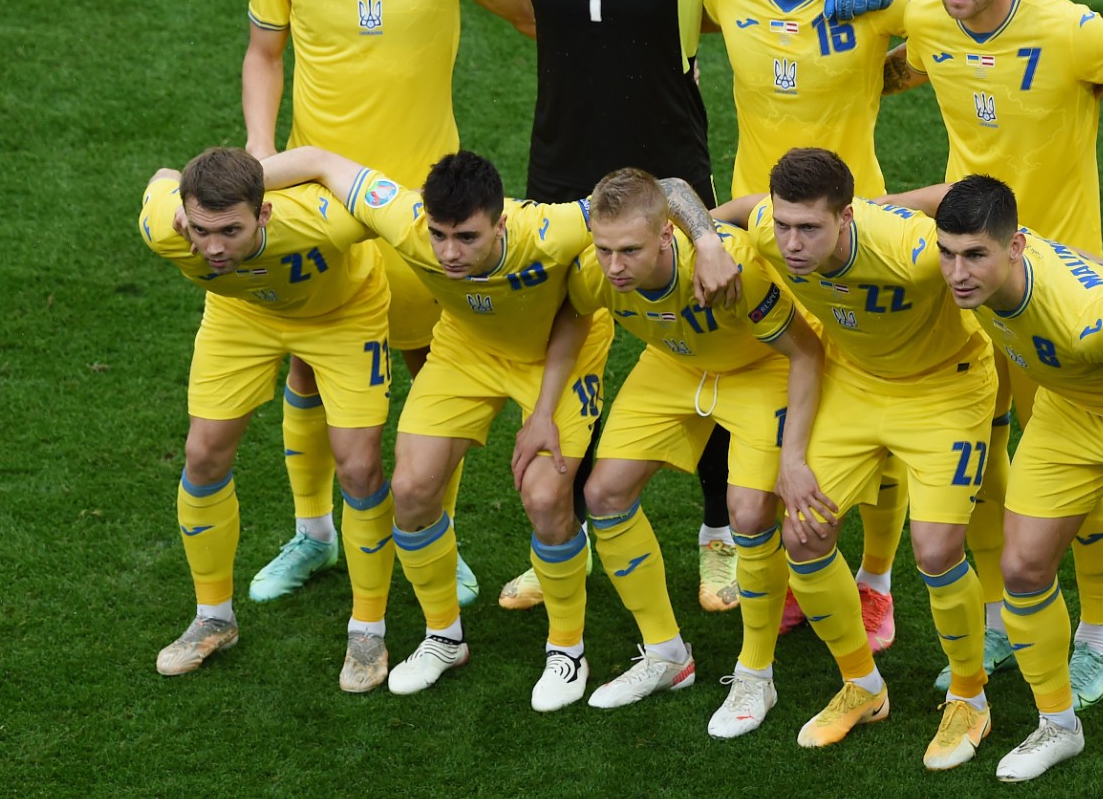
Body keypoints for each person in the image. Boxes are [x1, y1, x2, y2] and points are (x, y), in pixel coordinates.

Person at [265, 0, 894, 610]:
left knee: (712, 334)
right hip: (563, 171)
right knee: (567, 346)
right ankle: (561, 534)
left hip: (671, 164)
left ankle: (715, 538)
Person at [257, 145, 733, 698]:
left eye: (468, 238)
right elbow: (319, 161)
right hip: (466, 351)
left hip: (557, 357)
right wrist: (224, 192)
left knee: (546, 497)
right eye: (439, 236)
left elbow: (668, 187)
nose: (449, 253)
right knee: (410, 491)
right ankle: (443, 637)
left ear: (500, 223)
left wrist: (706, 239)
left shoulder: (549, 229)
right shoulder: (406, 220)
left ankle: (566, 651)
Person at [242, 0, 533, 607]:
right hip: (315, 197)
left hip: (419, 202)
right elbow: (264, 53)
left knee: (433, 368)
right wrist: (263, 152)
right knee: (308, 361)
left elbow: (534, 20)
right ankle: (313, 534)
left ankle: (435, 535)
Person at [886, 0, 1103, 702]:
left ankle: (1099, 634)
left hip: (1059, 291)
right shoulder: (929, 20)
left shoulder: (1072, 31)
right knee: (982, 447)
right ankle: (1008, 614)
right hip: (969, 273)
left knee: (1081, 455)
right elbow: (902, 64)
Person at [884, 175, 1103, 794]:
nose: (956, 273)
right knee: (1024, 569)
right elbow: (1082, 257)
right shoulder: (989, 269)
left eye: (975, 255)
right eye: (947, 253)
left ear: (1015, 248)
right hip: (1069, 412)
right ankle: (1058, 724)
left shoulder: (1093, 323)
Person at [714, 148, 997, 771]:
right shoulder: (770, 223)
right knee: (805, 534)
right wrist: (708, 237)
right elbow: (720, 207)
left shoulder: (914, 249)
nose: (789, 243)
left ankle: (969, 696)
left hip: (943, 389)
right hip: (857, 384)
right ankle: (864, 687)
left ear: (845, 217)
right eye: (783, 224)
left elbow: (967, 202)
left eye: (808, 228)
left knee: (937, 550)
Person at [700, 0, 919, 653]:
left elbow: (946, 31)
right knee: (792, 391)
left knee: (878, 402)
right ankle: (807, 562)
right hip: (759, 231)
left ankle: (877, 581)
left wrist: (882, 73)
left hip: (855, 236)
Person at [528, 168, 822, 736]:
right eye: (605, 249)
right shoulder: (601, 271)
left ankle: (756, 674)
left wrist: (794, 458)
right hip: (674, 365)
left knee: (750, 511)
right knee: (603, 493)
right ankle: (668, 655)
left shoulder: (730, 267)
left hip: (760, 369)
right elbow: (573, 313)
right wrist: (543, 410)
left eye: (629, 251)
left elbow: (806, 354)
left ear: (668, 236)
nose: (614, 266)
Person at [138, 148, 396, 692]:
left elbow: (398, 208)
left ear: (265, 215)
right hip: (244, 317)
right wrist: (180, 205)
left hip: (342, 315)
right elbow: (163, 177)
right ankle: (214, 618)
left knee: (359, 468)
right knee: (203, 455)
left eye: (230, 230)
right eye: (201, 229)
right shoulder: (168, 228)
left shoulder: (323, 220)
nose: (211, 248)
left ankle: (368, 628)